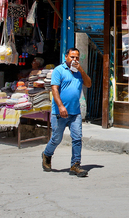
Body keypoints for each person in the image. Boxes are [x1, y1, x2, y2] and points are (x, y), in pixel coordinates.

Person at [42, 48, 92, 177]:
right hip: (60, 112)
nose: (74, 60)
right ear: (66, 57)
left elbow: (89, 84)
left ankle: (75, 165)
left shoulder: (79, 72)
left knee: (77, 138)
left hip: (75, 112)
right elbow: (54, 90)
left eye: (77, 57)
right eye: (72, 57)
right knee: (56, 139)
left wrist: (81, 70)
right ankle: (47, 154)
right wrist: (60, 107)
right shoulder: (59, 70)